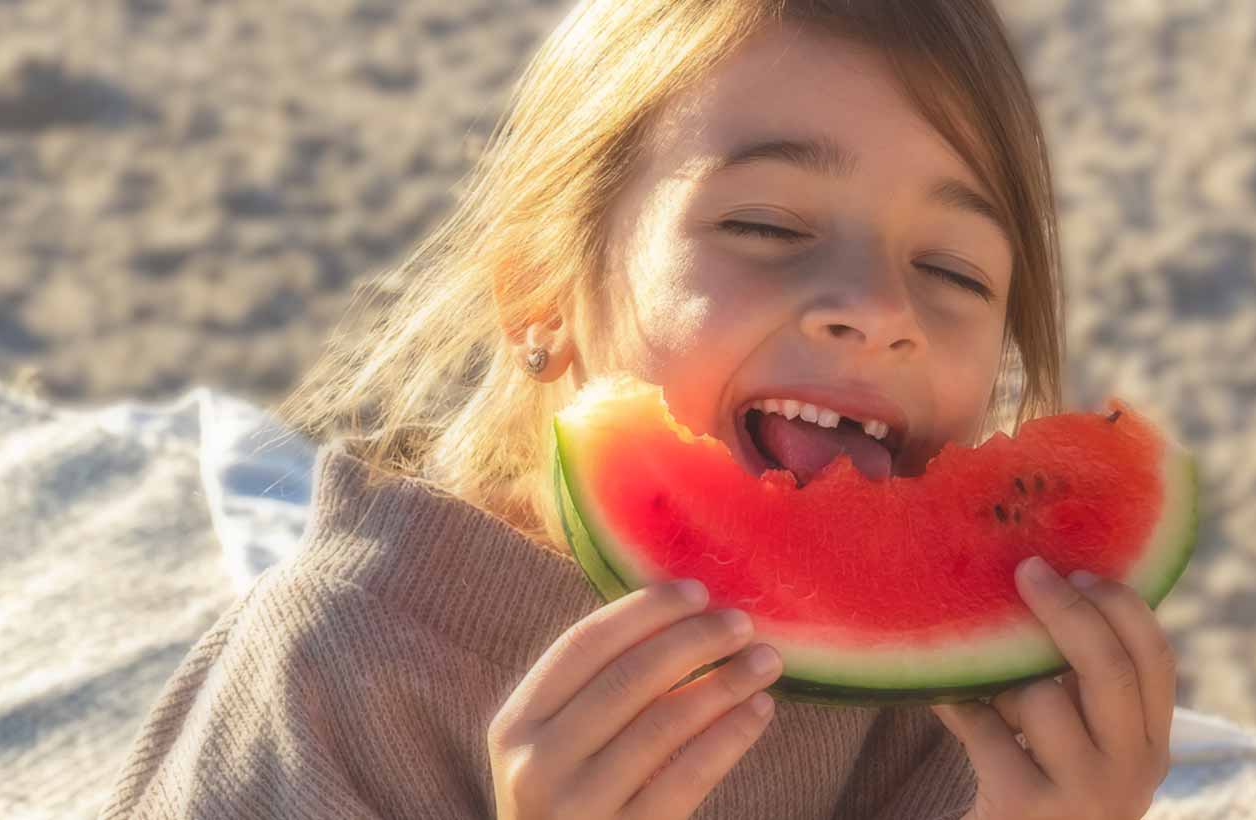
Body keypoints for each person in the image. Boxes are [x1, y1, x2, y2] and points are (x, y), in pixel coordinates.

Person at [102, 1, 1174, 817]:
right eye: (766, 226)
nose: (879, 309)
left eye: (953, 269)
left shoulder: (937, 697)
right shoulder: (339, 666)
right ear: (539, 287)